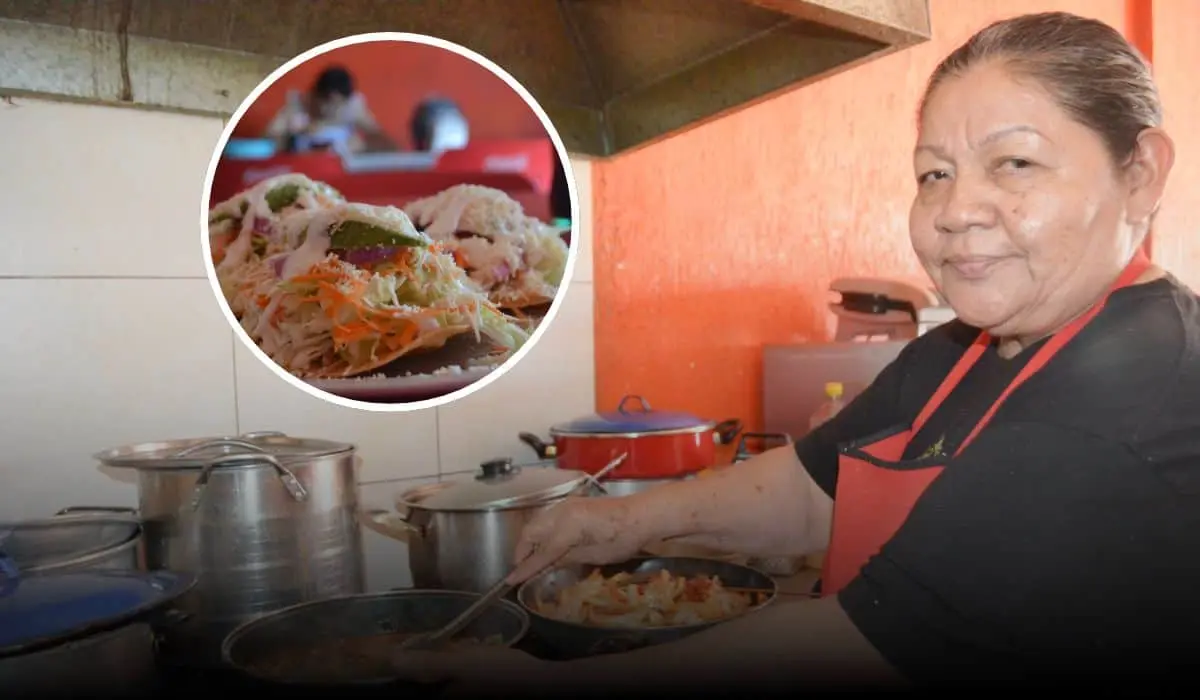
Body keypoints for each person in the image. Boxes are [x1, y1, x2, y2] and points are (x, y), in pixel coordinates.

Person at [392, 11, 1200, 693]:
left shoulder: (1127, 393)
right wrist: (624, 521)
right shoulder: (964, 349)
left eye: (1014, 163)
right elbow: (816, 490)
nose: (956, 211)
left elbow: (862, 646)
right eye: (935, 173)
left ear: (1140, 174)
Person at [264, 65, 395, 154]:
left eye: (337, 105)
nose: (330, 110)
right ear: (315, 95)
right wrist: (293, 138)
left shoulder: (353, 106)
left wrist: (362, 146)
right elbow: (268, 141)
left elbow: (387, 144)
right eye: (327, 102)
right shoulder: (297, 105)